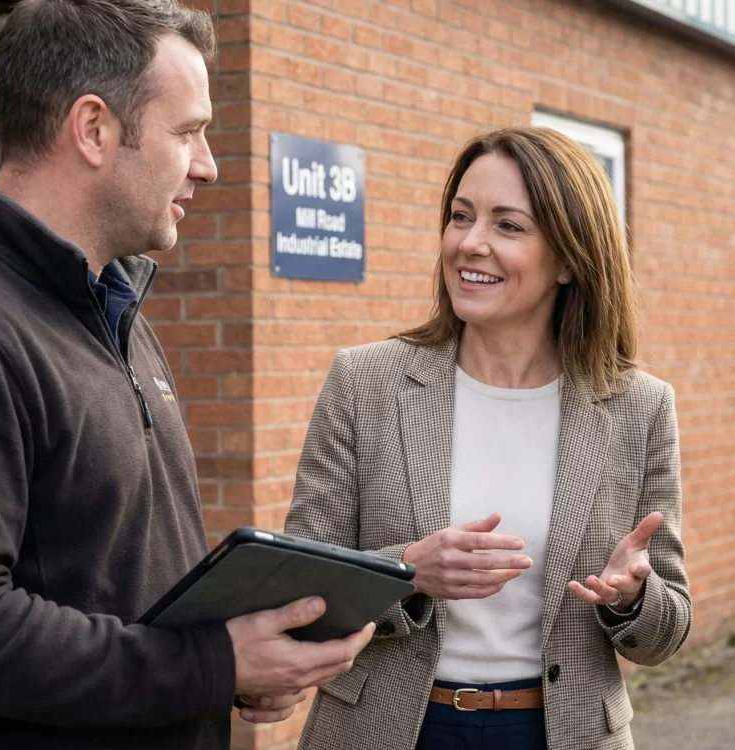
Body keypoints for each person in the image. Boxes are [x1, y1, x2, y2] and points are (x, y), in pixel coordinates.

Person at [0, 1, 372, 748]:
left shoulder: (112, 306)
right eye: (189, 132)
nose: (209, 164)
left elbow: (108, 581)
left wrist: (235, 662)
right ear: (94, 129)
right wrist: (208, 663)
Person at [283, 126, 692, 750]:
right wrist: (404, 572)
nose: (470, 244)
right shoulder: (366, 382)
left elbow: (665, 635)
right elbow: (300, 587)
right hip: (385, 729)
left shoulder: (638, 406)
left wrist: (631, 597)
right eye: (460, 217)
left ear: (570, 258)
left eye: (508, 226)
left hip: (564, 732)